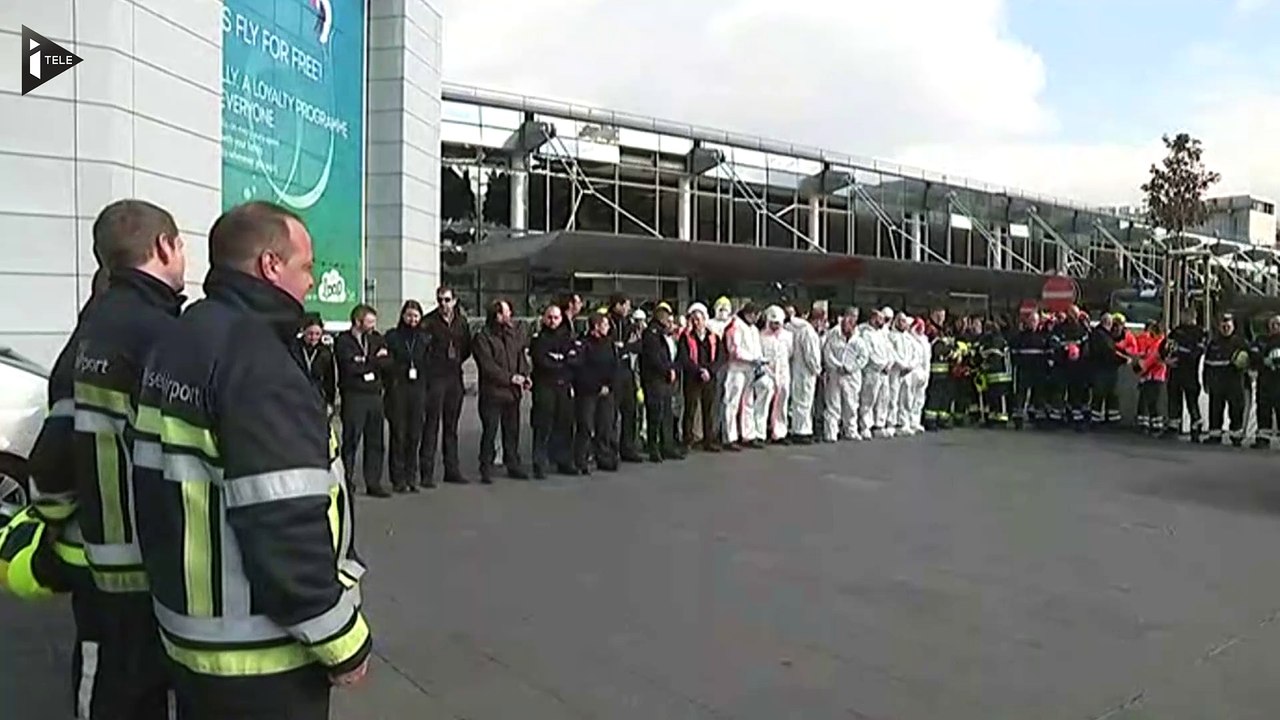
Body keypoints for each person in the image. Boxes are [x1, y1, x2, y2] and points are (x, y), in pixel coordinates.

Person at [131, 201, 371, 719]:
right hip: (260, 657)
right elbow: (283, 522)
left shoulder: (182, 338)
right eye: (306, 267)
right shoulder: (257, 362)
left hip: (191, 634)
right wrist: (342, 641)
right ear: (270, 265)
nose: (311, 282)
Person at [22, 199, 185, 720]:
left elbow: (51, 466)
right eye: (180, 245)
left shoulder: (91, 333)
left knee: (113, 688)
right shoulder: (166, 333)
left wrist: (55, 528)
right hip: (154, 568)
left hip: (106, 565)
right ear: (163, 246)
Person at [334, 304, 392, 497]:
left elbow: (387, 362)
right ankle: (347, 480)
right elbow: (349, 367)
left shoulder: (376, 338)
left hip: (375, 395)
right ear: (358, 321)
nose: (373, 326)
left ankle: (373, 482)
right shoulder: (343, 341)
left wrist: (365, 361)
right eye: (369, 322)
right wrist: (372, 361)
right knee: (351, 439)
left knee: (375, 441)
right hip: (354, 396)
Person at [473, 299, 531, 481]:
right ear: (498, 315)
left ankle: (513, 463)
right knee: (490, 431)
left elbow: (520, 355)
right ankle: (486, 467)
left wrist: (524, 375)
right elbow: (487, 366)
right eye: (507, 312)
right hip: (492, 393)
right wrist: (510, 378)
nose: (510, 315)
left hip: (512, 393)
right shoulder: (483, 337)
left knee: (512, 430)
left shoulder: (512, 334)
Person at [421, 286, 472, 485]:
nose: (443, 304)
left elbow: (466, 347)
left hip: (454, 377)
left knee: (451, 427)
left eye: (447, 300)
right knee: (431, 426)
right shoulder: (429, 322)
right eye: (440, 300)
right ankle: (426, 473)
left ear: (455, 300)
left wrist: (456, 360)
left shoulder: (461, 322)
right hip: (435, 378)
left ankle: (452, 470)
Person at [383, 300, 431, 493]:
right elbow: (387, 362)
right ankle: (398, 478)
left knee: (414, 435)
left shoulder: (425, 337)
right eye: (409, 315)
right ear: (403, 316)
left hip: (418, 389)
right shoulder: (393, 336)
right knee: (399, 435)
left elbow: (429, 362)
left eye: (416, 316)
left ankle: (412, 477)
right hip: (398, 389)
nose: (413, 319)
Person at [529, 303, 579, 478]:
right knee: (542, 425)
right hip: (544, 387)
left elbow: (574, 359)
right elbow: (542, 362)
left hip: (564, 386)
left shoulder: (568, 337)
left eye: (556, 318)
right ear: (544, 318)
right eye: (549, 317)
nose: (552, 321)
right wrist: (560, 361)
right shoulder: (538, 339)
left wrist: (559, 361)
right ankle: (539, 463)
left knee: (564, 425)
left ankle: (563, 460)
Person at [574, 311, 619, 473]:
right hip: (588, 392)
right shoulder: (584, 344)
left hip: (607, 391)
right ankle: (581, 459)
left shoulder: (609, 343)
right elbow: (581, 369)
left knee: (605, 425)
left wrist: (610, 385)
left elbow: (615, 366)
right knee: (585, 425)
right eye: (605, 325)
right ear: (596, 326)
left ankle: (604, 457)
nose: (608, 328)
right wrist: (596, 386)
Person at [640, 303, 685, 462]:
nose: (670, 320)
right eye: (668, 316)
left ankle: (668, 446)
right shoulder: (651, 333)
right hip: (654, 379)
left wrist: (673, 368)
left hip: (665, 380)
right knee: (655, 415)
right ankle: (654, 447)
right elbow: (654, 358)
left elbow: (672, 354)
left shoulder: (666, 334)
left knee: (667, 413)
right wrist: (667, 369)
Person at [679, 303, 723, 452]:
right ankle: (688, 440)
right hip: (692, 377)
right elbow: (684, 358)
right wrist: (699, 371)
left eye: (699, 318)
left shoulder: (714, 337)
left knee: (708, 409)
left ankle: (708, 440)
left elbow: (720, 357)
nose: (697, 322)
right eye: (694, 319)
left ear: (705, 319)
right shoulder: (685, 338)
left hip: (709, 378)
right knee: (690, 409)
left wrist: (710, 371)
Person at [723, 303, 767, 449]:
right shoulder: (735, 325)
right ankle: (730, 437)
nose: (756, 318)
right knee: (732, 403)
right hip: (736, 369)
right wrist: (752, 359)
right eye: (755, 315)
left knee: (748, 402)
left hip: (750, 369)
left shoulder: (753, 329)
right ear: (749, 313)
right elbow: (734, 349)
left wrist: (760, 360)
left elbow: (757, 349)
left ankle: (748, 434)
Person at [1202, 312, 1250, 446]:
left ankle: (1236, 437)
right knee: (1215, 410)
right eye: (1223, 325)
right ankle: (1214, 436)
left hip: (1234, 384)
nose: (1225, 327)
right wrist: (1205, 382)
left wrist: (1244, 362)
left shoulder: (1240, 343)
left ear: (1233, 325)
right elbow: (1207, 364)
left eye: (1228, 324)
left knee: (1236, 410)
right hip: (1216, 384)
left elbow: (1251, 361)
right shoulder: (1214, 343)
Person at [607, 294, 645, 462]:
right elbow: (608, 344)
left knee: (630, 411)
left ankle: (627, 447)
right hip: (612, 371)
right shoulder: (607, 322)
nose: (628, 309)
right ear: (617, 305)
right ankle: (610, 448)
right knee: (611, 414)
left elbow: (638, 345)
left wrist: (625, 346)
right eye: (626, 305)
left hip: (627, 370)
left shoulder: (629, 324)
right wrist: (621, 347)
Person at [822, 306, 867, 442]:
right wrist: (837, 366)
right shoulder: (833, 336)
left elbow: (863, 358)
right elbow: (827, 353)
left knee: (851, 405)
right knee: (833, 404)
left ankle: (850, 430)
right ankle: (831, 432)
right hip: (835, 375)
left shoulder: (859, 341)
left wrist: (850, 368)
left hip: (851, 377)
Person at [1161, 310, 1206, 440]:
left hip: (1191, 372)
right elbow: (1164, 346)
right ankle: (1173, 427)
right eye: (1182, 316)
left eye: (1186, 316)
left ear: (1193, 317)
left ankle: (1196, 428)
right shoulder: (1176, 331)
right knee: (1174, 399)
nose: (1183, 318)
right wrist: (1166, 359)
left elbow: (1197, 352)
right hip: (1175, 372)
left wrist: (1180, 356)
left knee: (1192, 401)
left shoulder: (1199, 332)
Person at [1008, 309, 1049, 429]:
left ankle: (1038, 418)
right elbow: (1013, 353)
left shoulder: (1043, 337)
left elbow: (1048, 354)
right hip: (1023, 370)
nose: (1033, 323)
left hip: (1038, 371)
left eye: (1035, 321)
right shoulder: (1019, 337)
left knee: (1038, 395)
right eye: (1031, 321)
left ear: (1039, 322)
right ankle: (1018, 418)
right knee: (1020, 395)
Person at [788, 306, 822, 444]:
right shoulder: (808, 331)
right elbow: (811, 355)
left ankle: (796, 428)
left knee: (796, 401)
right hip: (806, 371)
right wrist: (817, 370)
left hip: (793, 368)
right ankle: (802, 431)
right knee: (805, 401)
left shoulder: (791, 327)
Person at [760, 306, 795, 442]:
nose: (776, 326)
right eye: (773, 323)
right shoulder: (761, 336)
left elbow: (790, 353)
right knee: (763, 403)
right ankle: (761, 432)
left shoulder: (788, 336)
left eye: (778, 323)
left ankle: (780, 432)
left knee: (782, 402)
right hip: (767, 373)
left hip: (783, 373)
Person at [1088, 313, 1129, 428]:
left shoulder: (1102, 334)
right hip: (1103, 370)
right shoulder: (1101, 336)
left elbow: (1116, 342)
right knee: (1100, 394)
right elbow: (1109, 352)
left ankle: (1109, 418)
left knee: (1109, 395)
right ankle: (1099, 419)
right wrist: (1124, 360)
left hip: (1104, 370)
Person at [293, 314, 337, 415]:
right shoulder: (294, 348)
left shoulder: (325, 352)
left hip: (316, 396)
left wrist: (330, 402)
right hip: (296, 394)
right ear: (303, 331)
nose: (313, 337)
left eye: (317, 334)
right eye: (310, 333)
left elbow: (330, 379)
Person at [860, 308, 893, 438]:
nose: (882, 322)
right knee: (868, 399)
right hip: (872, 372)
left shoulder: (882, 334)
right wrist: (880, 365)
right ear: (873, 319)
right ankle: (865, 426)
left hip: (884, 373)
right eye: (880, 319)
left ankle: (879, 424)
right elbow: (869, 354)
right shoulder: (866, 334)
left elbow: (889, 351)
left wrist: (888, 364)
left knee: (883, 399)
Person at [1133, 320, 1167, 436]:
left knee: (1153, 402)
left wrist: (1141, 366)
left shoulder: (1160, 343)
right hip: (1149, 376)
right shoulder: (1154, 342)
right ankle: (1148, 425)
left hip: (1155, 376)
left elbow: (1153, 358)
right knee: (1148, 402)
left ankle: (1156, 426)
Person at [977, 320, 1013, 426]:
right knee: (993, 396)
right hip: (994, 373)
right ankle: (993, 416)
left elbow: (994, 356)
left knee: (1000, 396)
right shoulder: (992, 340)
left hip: (1000, 374)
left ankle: (1002, 417)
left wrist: (986, 366)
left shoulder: (996, 341)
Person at [924, 314, 956, 431]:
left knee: (944, 396)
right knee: (934, 397)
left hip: (945, 371)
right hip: (935, 372)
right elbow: (938, 348)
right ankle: (930, 420)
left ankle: (942, 419)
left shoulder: (943, 332)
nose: (942, 318)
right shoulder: (932, 334)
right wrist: (950, 352)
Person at [1252, 315, 1280, 449]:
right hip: (1264, 383)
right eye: (1272, 324)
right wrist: (1263, 360)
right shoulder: (1261, 339)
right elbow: (1254, 354)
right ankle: (1263, 439)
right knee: (1263, 411)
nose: (1275, 327)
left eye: (1278, 324)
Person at [885, 311, 913, 436]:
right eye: (900, 321)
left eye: (904, 321)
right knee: (893, 397)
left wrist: (909, 366)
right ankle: (891, 422)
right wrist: (902, 365)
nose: (903, 324)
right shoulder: (892, 336)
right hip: (895, 371)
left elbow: (914, 354)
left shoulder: (908, 337)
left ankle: (904, 422)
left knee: (906, 398)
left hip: (907, 372)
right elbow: (892, 353)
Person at [904, 317, 931, 434]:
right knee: (909, 398)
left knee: (919, 399)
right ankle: (907, 421)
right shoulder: (910, 339)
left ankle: (915, 421)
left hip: (924, 372)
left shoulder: (925, 340)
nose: (920, 329)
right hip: (913, 371)